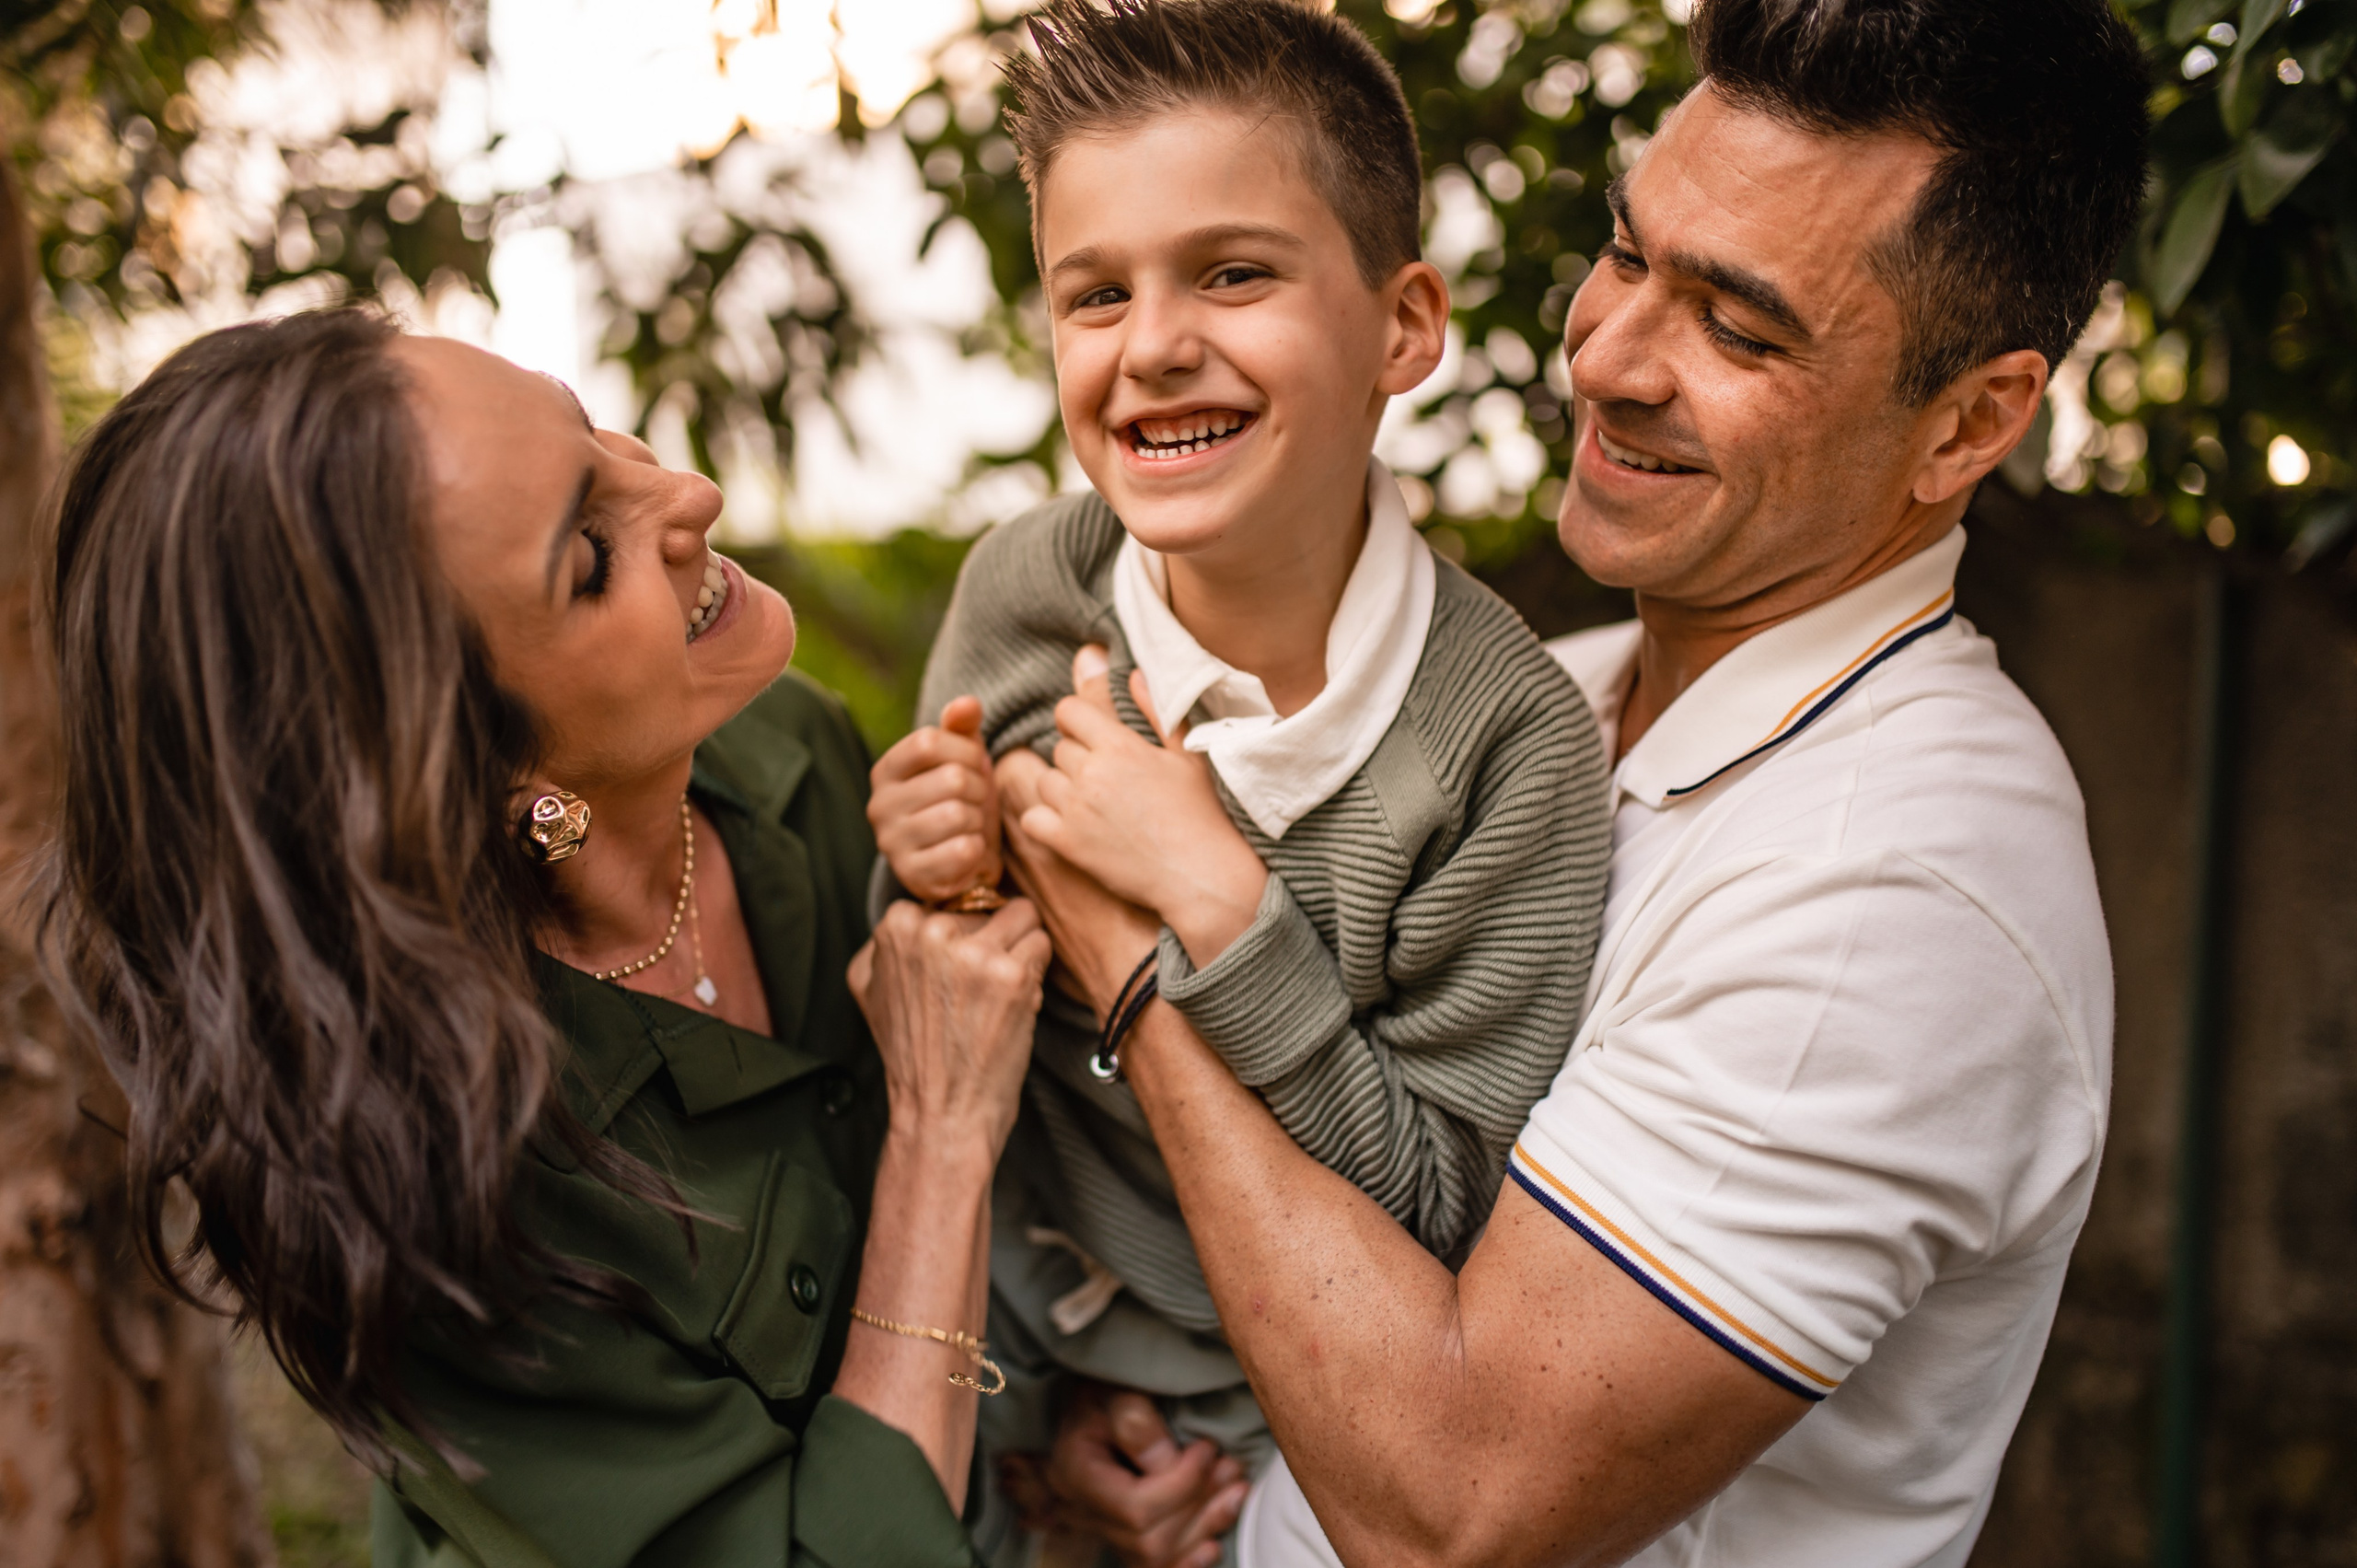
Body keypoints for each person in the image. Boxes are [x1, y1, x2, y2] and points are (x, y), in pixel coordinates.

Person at [1000, 0, 2147, 1562]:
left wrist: (1134, 958)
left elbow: (1453, 1511)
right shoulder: (1560, 692)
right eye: (1624, 254)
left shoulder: (1893, 879)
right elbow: (1349, 1243)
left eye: (1739, 329)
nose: (1604, 358)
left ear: (1970, 422)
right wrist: (1149, 1430)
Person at [38, 308, 1051, 1567]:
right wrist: (941, 1140)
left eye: (587, 426)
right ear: (478, 771)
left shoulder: (776, 746)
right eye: (588, 554)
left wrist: (1051, 1444)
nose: (688, 493)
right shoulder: (429, 1195)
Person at [862, 3, 1611, 1560]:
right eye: (1094, 294)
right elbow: (936, 1006)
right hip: (997, 1363)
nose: (1151, 347)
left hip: (1280, 1442)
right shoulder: (1024, 594)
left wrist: (1216, 896)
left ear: (1404, 324)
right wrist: (933, 860)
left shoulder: (1507, 752)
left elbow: (1432, 1209)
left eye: (1233, 272)